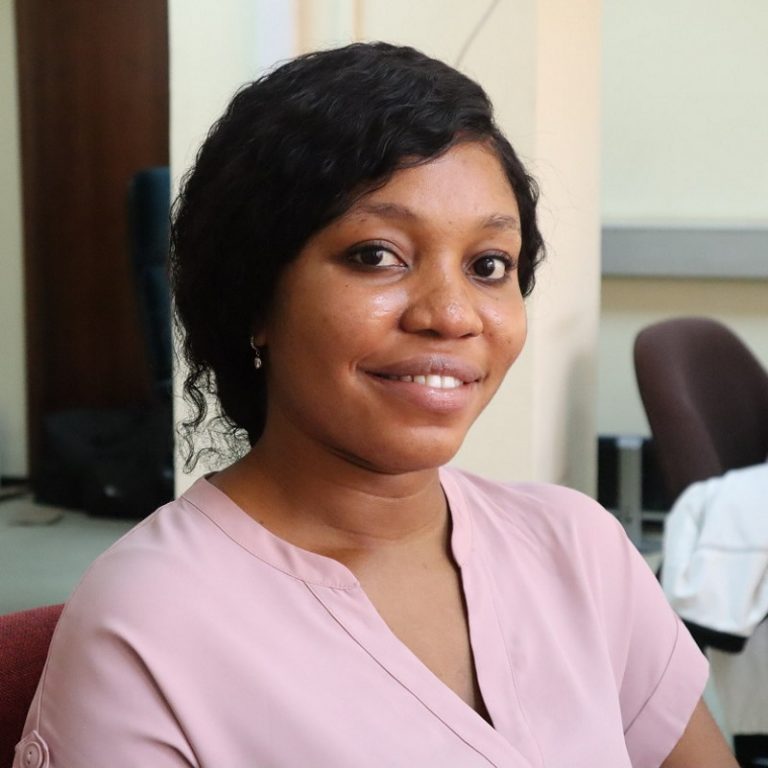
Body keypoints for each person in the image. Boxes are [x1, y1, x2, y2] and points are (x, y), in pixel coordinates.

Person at [14, 42, 735, 768]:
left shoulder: (578, 547)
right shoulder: (148, 625)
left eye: (489, 265)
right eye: (376, 255)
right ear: (253, 297)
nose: (451, 314)